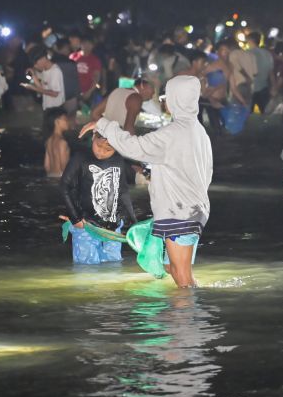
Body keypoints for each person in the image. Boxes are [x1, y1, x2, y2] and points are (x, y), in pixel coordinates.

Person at [79, 76, 212, 288]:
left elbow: (135, 147)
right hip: (194, 210)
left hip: (179, 212)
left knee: (181, 275)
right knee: (174, 269)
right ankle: (186, 315)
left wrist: (104, 125)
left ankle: (187, 318)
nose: (164, 101)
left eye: (167, 96)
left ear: (176, 99)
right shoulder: (199, 132)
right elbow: (205, 172)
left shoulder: (172, 133)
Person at [60, 130, 136, 264]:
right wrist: (75, 218)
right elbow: (64, 186)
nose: (101, 152)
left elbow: (123, 192)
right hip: (85, 225)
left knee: (113, 265)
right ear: (94, 136)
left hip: (113, 227)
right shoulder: (80, 158)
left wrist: (133, 221)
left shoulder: (119, 161)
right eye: (98, 146)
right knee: (87, 267)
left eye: (108, 149)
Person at [91, 77, 156, 133]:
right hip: (117, 143)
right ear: (144, 85)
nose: (152, 95)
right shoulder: (136, 98)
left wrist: (108, 128)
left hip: (104, 141)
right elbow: (128, 128)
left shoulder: (117, 90)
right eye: (153, 90)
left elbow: (95, 114)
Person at [22, 46, 65, 114]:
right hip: (48, 107)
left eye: (36, 63)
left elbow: (55, 93)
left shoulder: (55, 71)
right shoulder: (45, 70)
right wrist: (33, 76)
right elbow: (42, 88)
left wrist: (34, 88)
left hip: (56, 109)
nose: (35, 66)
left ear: (43, 58)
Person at [50, 37, 81, 121]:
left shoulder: (50, 63)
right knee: (70, 120)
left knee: (55, 120)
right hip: (69, 96)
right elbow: (75, 82)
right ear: (64, 48)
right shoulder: (71, 64)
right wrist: (78, 96)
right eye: (68, 48)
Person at [70, 33, 102, 106]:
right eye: (85, 43)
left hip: (88, 92)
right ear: (81, 44)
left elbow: (96, 78)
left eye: (89, 44)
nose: (87, 46)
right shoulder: (72, 56)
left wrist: (89, 92)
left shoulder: (95, 60)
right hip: (73, 92)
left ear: (93, 46)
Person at [247, 32, 274, 114]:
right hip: (264, 87)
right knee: (266, 114)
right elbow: (271, 72)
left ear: (250, 40)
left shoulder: (247, 53)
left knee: (247, 115)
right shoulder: (267, 54)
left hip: (250, 88)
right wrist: (274, 87)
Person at [228, 43, 257, 108]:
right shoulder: (251, 54)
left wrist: (246, 76)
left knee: (235, 110)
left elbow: (237, 66)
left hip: (238, 86)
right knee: (245, 110)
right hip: (250, 87)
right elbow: (255, 73)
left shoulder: (233, 54)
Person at [44, 107, 70, 178]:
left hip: (50, 176)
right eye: (65, 119)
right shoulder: (62, 142)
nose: (67, 122)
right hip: (61, 177)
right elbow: (64, 166)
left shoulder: (48, 141)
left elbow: (46, 166)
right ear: (57, 121)